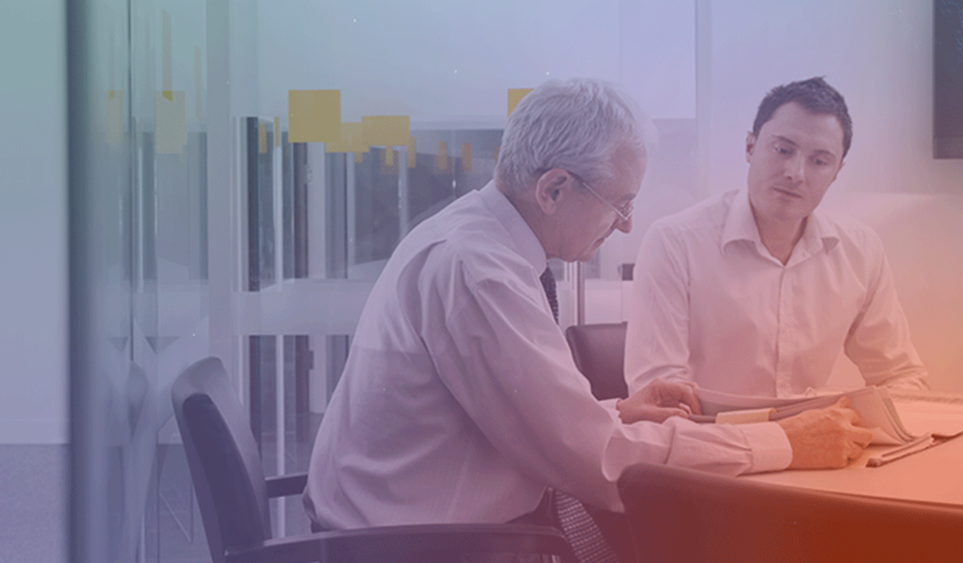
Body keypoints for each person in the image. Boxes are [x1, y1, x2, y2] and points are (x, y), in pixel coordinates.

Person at [303, 78, 873, 563]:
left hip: (419, 527)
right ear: (553, 188)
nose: (625, 226)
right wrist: (783, 443)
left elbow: (515, 414)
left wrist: (617, 411)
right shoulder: (478, 272)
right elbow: (601, 464)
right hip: (423, 548)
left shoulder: (478, 241)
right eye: (620, 203)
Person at [625, 77, 929, 399]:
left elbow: (901, 375)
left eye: (819, 161)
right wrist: (775, 443)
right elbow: (658, 400)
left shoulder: (860, 250)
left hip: (819, 442)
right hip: (711, 444)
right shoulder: (675, 243)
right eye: (783, 150)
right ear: (750, 146)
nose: (795, 173)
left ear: (837, 171)